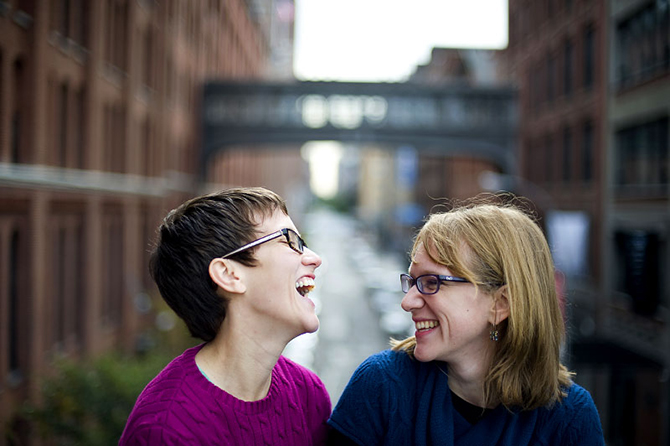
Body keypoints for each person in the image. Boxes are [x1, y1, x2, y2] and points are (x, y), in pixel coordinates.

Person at [327, 196, 605, 446]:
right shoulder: (381, 386)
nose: (407, 301)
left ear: (500, 304)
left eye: (431, 282)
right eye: (412, 281)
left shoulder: (570, 418)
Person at [120, 187, 331, 445]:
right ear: (229, 275)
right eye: (291, 241)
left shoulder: (308, 394)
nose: (314, 258)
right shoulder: (164, 430)